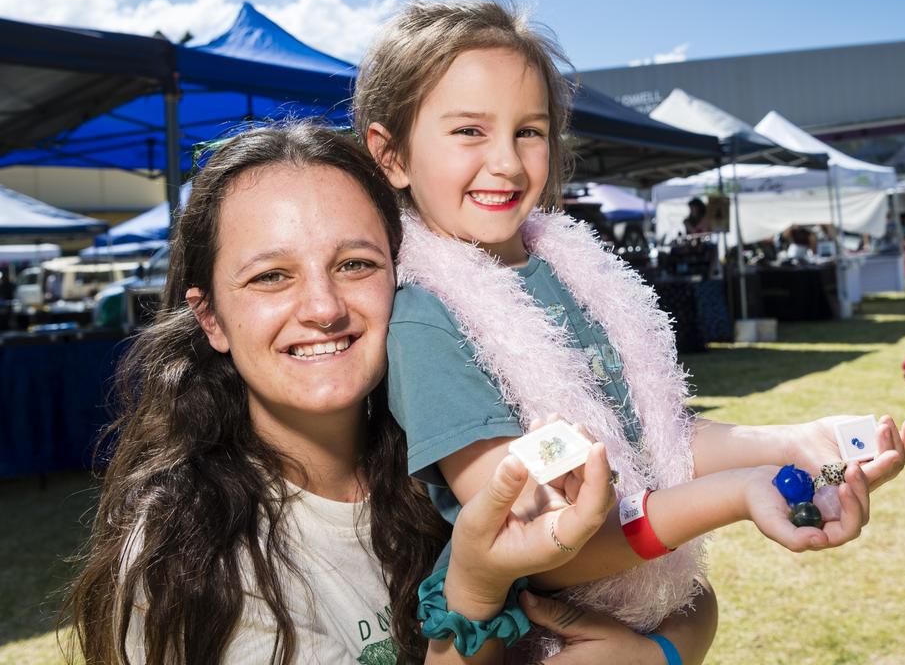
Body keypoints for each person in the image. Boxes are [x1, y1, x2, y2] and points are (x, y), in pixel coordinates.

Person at [355, 0, 905, 661]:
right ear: (390, 155)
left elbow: (655, 440)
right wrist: (735, 494)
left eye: (528, 131)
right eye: (469, 131)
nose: (506, 161)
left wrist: (799, 444)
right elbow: (532, 533)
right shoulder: (426, 317)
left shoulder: (570, 270)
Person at [65, 123, 687, 665]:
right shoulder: (192, 558)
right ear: (212, 319)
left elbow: (668, 583)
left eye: (355, 265)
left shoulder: (456, 444)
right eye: (271, 276)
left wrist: (666, 649)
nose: (322, 308)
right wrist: (473, 584)